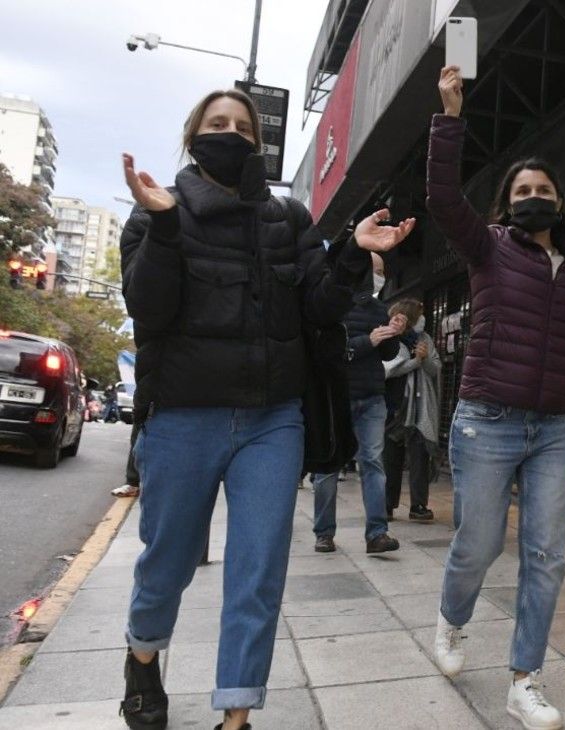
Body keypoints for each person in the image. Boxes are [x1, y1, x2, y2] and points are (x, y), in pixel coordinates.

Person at [116, 88, 414, 730]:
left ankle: (237, 715)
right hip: (183, 415)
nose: (231, 133)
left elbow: (319, 309)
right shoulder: (152, 216)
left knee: (257, 572)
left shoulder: (289, 218)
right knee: (166, 563)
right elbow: (148, 308)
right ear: (193, 134)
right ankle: (143, 659)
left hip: (272, 419)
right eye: (216, 123)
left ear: (260, 141)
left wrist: (351, 256)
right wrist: (165, 226)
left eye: (243, 126)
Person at [425, 66, 565, 730]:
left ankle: (525, 679)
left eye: (544, 189)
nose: (534, 195)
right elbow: (444, 198)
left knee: (548, 554)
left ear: (561, 201)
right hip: (488, 419)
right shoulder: (489, 247)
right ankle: (452, 617)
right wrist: (449, 117)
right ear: (508, 203)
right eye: (522, 189)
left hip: (556, 427)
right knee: (478, 544)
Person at [310, 253, 404, 555]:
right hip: (336, 396)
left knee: (373, 463)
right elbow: (330, 351)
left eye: (382, 271)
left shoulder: (378, 308)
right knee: (328, 464)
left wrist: (393, 333)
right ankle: (324, 532)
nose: (379, 276)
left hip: (372, 398)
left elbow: (388, 355)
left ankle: (377, 533)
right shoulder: (332, 304)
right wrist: (369, 342)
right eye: (375, 270)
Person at [382, 298, 442, 522]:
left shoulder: (425, 339)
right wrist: (416, 361)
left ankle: (418, 505)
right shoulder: (390, 338)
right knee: (391, 458)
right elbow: (388, 370)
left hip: (420, 407)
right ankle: (387, 505)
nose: (424, 319)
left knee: (420, 455)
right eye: (421, 314)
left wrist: (424, 360)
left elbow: (435, 368)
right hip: (395, 407)